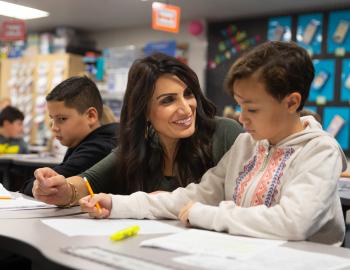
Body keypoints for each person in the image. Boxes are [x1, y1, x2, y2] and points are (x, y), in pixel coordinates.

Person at [80, 41, 347, 246]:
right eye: (240, 106)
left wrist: (206, 215)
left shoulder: (320, 151)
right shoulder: (246, 145)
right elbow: (194, 195)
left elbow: (293, 223)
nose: (241, 118)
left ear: (291, 102)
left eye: (252, 109)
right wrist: (117, 204)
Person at [32, 53, 243, 207]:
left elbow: (243, 205)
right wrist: (59, 190)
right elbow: (88, 181)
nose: (186, 108)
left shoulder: (224, 133)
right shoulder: (142, 143)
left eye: (188, 94)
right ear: (145, 111)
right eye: (168, 100)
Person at [20, 76, 118, 196]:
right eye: (52, 119)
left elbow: (41, 187)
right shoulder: (83, 142)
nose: (54, 127)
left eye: (62, 119)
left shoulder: (98, 148)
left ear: (91, 116)